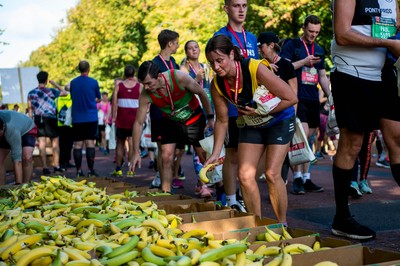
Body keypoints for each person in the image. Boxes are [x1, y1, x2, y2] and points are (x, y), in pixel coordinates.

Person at [204, 34, 297, 221]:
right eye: (211, 62)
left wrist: (261, 112)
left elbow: (291, 98)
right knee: (245, 176)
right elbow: (222, 121)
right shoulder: (216, 84)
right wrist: (215, 153)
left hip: (279, 119)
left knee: (271, 173)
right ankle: (257, 225)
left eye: (220, 60)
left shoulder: (255, 68)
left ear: (231, 54)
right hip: (251, 123)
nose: (216, 67)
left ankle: (282, 224)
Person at [330, 0, 400, 240]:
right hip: (352, 72)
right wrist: (387, 42)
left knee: (397, 138)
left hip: (385, 73)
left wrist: (393, 39)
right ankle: (342, 219)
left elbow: (394, 26)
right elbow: (342, 34)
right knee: (353, 143)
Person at [129, 61, 214, 193]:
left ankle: (219, 191)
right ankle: (166, 193)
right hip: (171, 122)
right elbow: (138, 123)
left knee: (204, 157)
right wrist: (135, 152)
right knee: (166, 156)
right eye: (143, 84)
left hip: (193, 119)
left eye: (148, 83)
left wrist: (210, 118)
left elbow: (202, 93)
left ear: (158, 76)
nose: (145, 87)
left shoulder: (178, 77)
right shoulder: (146, 94)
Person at [213, 0, 259, 212]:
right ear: (226, 8)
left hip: (253, 108)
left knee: (252, 156)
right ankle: (231, 199)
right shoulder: (220, 36)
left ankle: (242, 194)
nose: (241, 10)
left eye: (244, 5)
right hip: (231, 106)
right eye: (236, 5)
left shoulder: (252, 38)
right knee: (231, 155)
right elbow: (218, 71)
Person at [281, 14, 331, 195]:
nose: (313, 35)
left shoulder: (319, 49)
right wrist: (303, 62)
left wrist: (330, 96)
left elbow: (323, 76)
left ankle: (306, 178)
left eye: (316, 32)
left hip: (312, 100)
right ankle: (298, 179)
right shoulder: (292, 46)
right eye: (310, 31)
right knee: (300, 139)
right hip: (296, 97)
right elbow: (282, 68)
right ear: (304, 28)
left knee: (309, 141)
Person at [257, 31, 298, 183]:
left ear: (271, 45)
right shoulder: (258, 66)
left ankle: (282, 182)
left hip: (283, 118)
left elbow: (294, 95)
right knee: (263, 153)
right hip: (262, 117)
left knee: (279, 154)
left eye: (262, 47)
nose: (259, 50)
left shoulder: (286, 65)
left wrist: (293, 120)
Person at [180, 40, 216, 198]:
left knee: (208, 148)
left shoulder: (206, 67)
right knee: (198, 150)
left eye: (196, 47)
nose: (194, 50)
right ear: (186, 51)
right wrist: (195, 77)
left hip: (208, 109)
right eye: (190, 48)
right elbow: (182, 89)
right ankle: (203, 185)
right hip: (192, 111)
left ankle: (201, 182)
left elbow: (212, 87)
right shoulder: (183, 68)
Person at [151, 29, 185, 190]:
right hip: (159, 110)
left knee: (172, 149)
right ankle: (160, 176)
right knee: (161, 147)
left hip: (174, 111)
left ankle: (168, 177)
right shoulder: (154, 64)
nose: (178, 46)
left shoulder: (174, 63)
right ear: (169, 44)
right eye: (177, 43)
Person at [27, 71, 67, 174]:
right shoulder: (51, 91)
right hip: (51, 119)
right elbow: (65, 92)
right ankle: (56, 165)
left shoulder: (31, 93)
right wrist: (54, 83)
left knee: (42, 143)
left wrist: (31, 123)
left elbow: (30, 110)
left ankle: (45, 167)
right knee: (55, 142)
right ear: (46, 80)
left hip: (38, 119)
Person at [70, 60, 101, 177]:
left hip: (77, 118)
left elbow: (73, 97)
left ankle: (78, 171)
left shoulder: (73, 82)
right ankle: (91, 170)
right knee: (90, 144)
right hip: (91, 117)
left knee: (77, 145)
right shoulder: (94, 82)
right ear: (88, 69)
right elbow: (98, 98)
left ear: (79, 69)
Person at [112, 65, 142, 177]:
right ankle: (131, 170)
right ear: (134, 73)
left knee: (120, 144)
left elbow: (114, 103)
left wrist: (114, 117)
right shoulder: (139, 86)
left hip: (121, 120)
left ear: (124, 74)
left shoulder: (119, 86)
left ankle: (118, 169)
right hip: (135, 121)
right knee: (134, 144)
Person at [0, 110, 37, 184]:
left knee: (26, 158)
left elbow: (17, 161)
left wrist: (18, 185)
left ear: (3, 128)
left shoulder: (11, 131)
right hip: (9, 128)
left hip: (28, 128)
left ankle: (25, 186)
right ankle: (2, 188)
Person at [54, 83, 75, 169]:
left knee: (62, 144)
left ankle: (62, 162)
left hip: (60, 124)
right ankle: (67, 161)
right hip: (69, 124)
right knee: (69, 144)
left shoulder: (57, 99)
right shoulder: (72, 96)